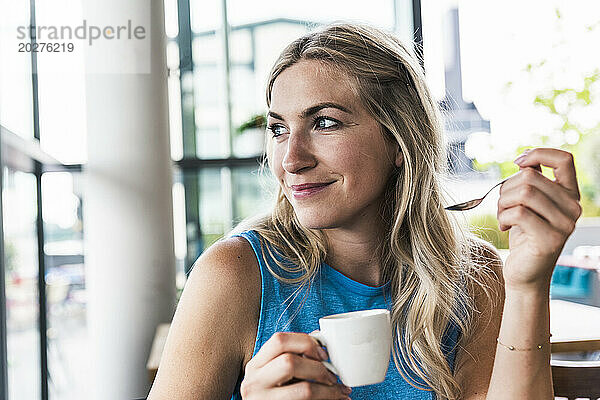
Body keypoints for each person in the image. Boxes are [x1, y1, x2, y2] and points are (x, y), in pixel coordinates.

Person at [148, 22, 582, 400]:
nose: (291, 159)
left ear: (399, 140)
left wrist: (528, 284)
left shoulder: (474, 276)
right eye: (279, 129)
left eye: (325, 122)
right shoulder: (237, 273)